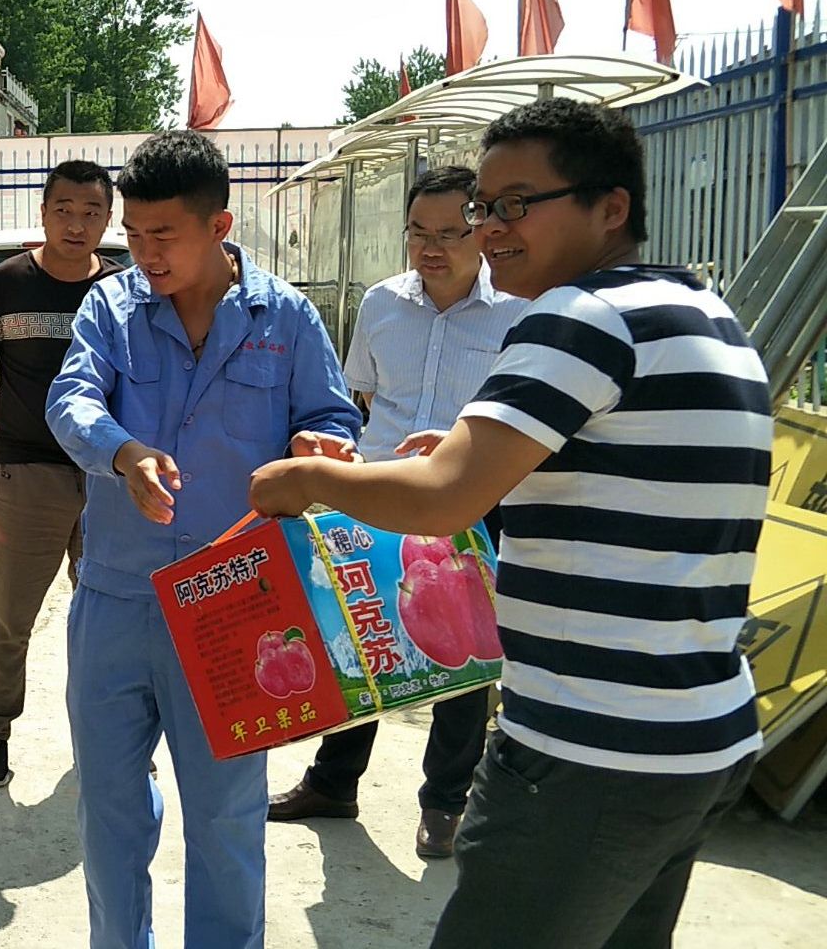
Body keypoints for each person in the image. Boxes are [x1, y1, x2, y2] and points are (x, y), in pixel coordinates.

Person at [250, 98, 768, 949]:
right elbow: (620, 476)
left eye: (518, 203)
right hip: (697, 736)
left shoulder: (579, 318)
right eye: (484, 205)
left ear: (611, 207)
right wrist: (470, 458)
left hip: (590, 745)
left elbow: (441, 498)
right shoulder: (702, 314)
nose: (491, 228)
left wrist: (307, 479)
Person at [46, 130, 361, 948]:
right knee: (109, 810)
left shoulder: (285, 318)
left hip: (239, 606)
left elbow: (331, 417)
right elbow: (70, 400)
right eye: (134, 234)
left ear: (219, 226)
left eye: (164, 235)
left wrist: (321, 448)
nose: (145, 253)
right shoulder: (111, 308)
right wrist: (124, 452)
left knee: (226, 817)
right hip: (118, 598)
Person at [268, 164, 527, 858]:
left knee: (463, 655)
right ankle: (334, 782)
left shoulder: (518, 313)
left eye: (448, 233)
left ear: (481, 231)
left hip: (473, 503)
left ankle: (445, 802)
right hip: (379, 496)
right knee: (360, 636)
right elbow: (361, 399)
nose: (430, 248)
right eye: (418, 232)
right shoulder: (382, 303)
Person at [0, 160, 122, 788]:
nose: (76, 224)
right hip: (28, 476)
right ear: (44, 212)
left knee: (108, 614)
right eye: (64, 211)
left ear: (108, 219)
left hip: (108, 477)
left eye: (90, 212)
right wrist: (9, 430)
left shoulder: (122, 290)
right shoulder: (3, 284)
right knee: (11, 613)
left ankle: (109, 735)